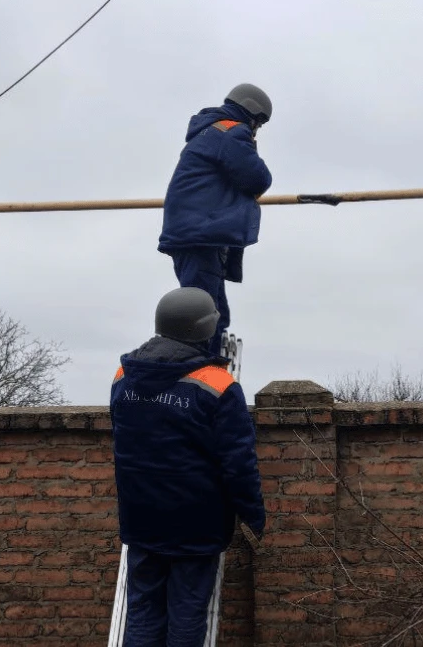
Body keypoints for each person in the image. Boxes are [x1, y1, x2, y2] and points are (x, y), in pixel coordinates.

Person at [110, 287, 266, 645]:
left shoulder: (123, 376)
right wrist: (253, 516)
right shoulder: (218, 385)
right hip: (196, 526)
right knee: (186, 617)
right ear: (205, 329)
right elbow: (239, 463)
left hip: (141, 520)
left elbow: (123, 440)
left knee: (143, 614)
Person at [158, 83, 274, 356]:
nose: (257, 129)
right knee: (201, 316)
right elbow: (257, 178)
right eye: (258, 123)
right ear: (252, 113)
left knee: (213, 312)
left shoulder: (211, 131)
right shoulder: (231, 131)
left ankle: (203, 365)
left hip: (195, 233)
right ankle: (195, 370)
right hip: (200, 235)